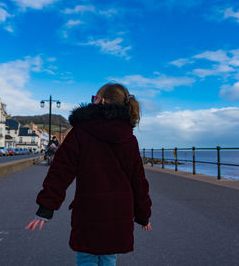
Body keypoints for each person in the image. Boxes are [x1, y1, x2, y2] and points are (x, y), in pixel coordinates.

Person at [26, 83, 152, 266]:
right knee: (109, 258)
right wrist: (143, 214)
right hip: (119, 212)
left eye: (94, 98)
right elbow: (138, 180)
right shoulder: (129, 138)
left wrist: (46, 208)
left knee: (87, 257)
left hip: (89, 211)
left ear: (100, 101)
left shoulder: (81, 132)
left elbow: (60, 171)